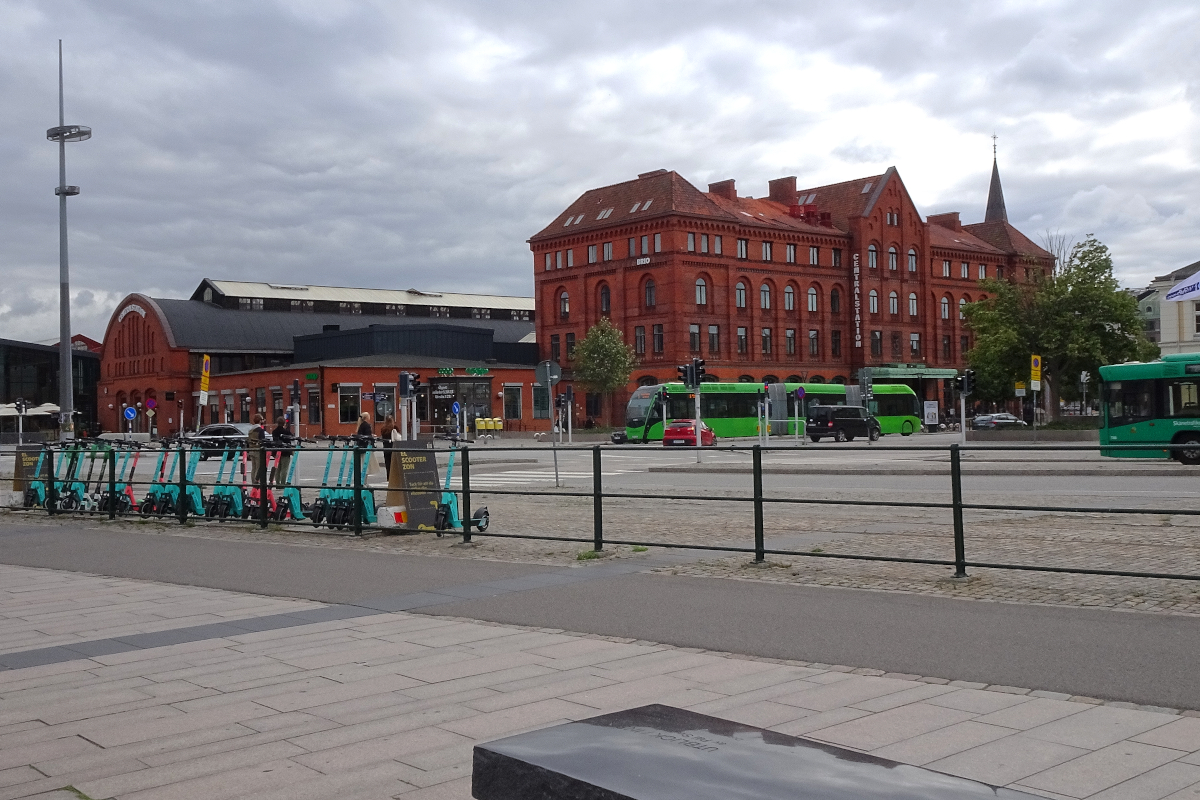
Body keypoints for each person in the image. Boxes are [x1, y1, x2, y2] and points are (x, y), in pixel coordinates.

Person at [271, 416, 293, 487]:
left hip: (277, 451)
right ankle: (283, 483)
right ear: (284, 423)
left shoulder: (274, 431)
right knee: (284, 468)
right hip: (285, 452)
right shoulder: (286, 432)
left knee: (278, 468)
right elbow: (291, 438)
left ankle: (278, 483)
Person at [246, 414, 266, 484]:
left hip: (251, 449)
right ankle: (257, 481)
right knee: (258, 467)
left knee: (253, 467)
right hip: (258, 450)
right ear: (260, 421)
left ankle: (253, 481)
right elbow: (262, 440)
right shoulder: (260, 430)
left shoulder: (250, 430)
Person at [380, 413, 398, 480]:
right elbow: (397, 437)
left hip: (386, 447)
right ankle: (394, 477)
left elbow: (382, 437)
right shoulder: (394, 427)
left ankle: (388, 477)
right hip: (393, 447)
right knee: (394, 463)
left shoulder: (383, 429)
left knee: (387, 463)